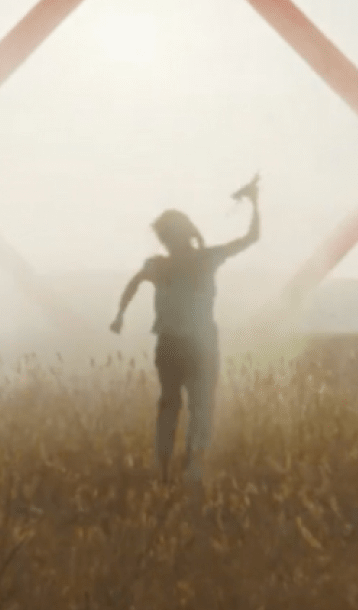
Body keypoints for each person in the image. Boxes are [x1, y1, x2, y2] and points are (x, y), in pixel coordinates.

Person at [110, 179, 260, 483]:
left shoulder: (159, 265)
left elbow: (134, 283)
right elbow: (251, 237)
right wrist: (255, 202)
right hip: (201, 342)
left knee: (170, 405)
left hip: (170, 344)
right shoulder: (205, 258)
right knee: (200, 405)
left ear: (166, 237)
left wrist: (121, 314)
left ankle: (167, 470)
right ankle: (190, 466)